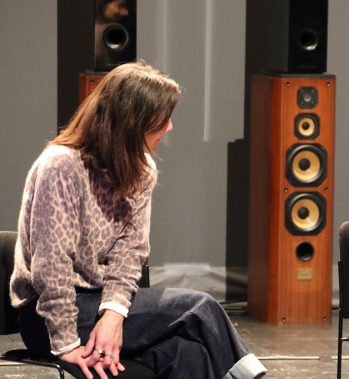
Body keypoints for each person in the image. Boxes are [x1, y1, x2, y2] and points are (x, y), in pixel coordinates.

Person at [10, 61, 267, 379]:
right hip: (50, 315)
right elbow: (51, 269)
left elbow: (129, 253)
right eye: (162, 119)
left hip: (103, 303)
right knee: (199, 308)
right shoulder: (62, 166)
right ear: (132, 122)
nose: (170, 127)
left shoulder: (141, 168)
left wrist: (113, 315)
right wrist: (65, 343)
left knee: (189, 352)